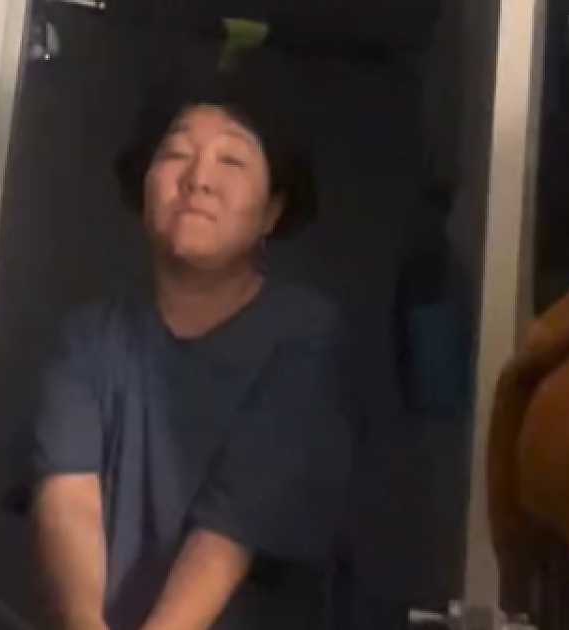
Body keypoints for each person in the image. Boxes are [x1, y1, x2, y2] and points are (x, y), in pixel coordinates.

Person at [29, 69, 354, 630]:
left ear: (273, 211)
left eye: (232, 161)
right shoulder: (86, 338)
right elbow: (68, 500)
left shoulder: (307, 335)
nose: (199, 179)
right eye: (177, 154)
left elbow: (231, 533)